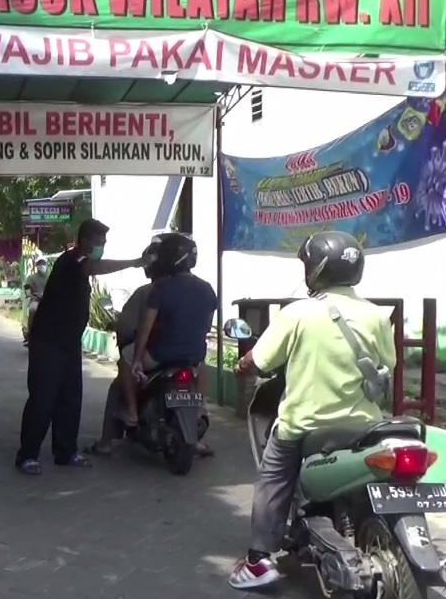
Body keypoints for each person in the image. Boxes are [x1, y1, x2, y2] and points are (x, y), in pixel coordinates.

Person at [228, 231, 395, 589]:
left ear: (316, 270)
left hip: (306, 427)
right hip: (365, 427)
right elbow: (387, 366)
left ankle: (258, 561)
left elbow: (261, 359)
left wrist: (243, 365)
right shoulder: (377, 316)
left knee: (273, 477)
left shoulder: (298, 313)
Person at [15, 219, 152, 475]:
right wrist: (135, 263)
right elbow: (94, 267)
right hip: (48, 343)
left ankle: (65, 452)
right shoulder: (72, 260)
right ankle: (28, 456)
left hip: (69, 344)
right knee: (43, 399)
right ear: (86, 240)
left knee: (70, 398)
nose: (103, 246)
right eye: (100, 242)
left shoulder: (79, 263)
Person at [126, 234, 217, 449]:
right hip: (194, 355)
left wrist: (138, 361)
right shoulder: (207, 289)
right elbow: (204, 327)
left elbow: (144, 332)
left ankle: (131, 412)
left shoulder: (159, 290)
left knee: (125, 361)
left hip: (161, 356)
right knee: (201, 368)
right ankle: (200, 408)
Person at [84, 243, 158, 457]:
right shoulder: (196, 289)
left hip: (153, 354)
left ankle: (108, 440)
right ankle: (199, 418)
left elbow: (126, 326)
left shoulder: (148, 292)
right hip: (187, 355)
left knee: (118, 386)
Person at [22, 256, 49, 346]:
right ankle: (31, 334)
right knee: (32, 309)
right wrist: (29, 294)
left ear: (46, 264)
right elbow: (27, 287)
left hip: (49, 300)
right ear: (36, 266)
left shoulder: (52, 276)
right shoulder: (32, 278)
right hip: (36, 300)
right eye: (39, 264)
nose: (41, 265)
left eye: (43, 263)